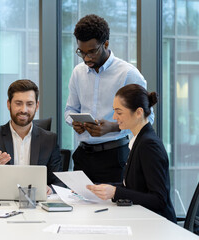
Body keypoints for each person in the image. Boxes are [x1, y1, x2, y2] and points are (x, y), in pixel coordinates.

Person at [64, 14, 154, 184]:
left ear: (105, 44)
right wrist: (73, 121)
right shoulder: (78, 72)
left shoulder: (128, 74)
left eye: (92, 52)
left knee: (114, 209)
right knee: (79, 208)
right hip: (82, 157)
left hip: (115, 159)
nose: (86, 59)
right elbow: (70, 110)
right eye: (81, 52)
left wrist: (114, 127)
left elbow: (148, 118)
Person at [87, 84, 176, 223]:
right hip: (143, 219)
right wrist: (97, 187)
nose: (114, 117)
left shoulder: (149, 145)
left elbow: (159, 200)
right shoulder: (139, 140)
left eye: (119, 112)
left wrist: (116, 192)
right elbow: (134, 187)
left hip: (157, 225)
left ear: (139, 112)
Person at [0, 79, 62, 194]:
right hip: (3, 203)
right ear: (9, 104)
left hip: (37, 204)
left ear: (37, 106)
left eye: (29, 104)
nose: (24, 110)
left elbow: (58, 182)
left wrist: (50, 189)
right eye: (18, 103)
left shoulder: (49, 139)